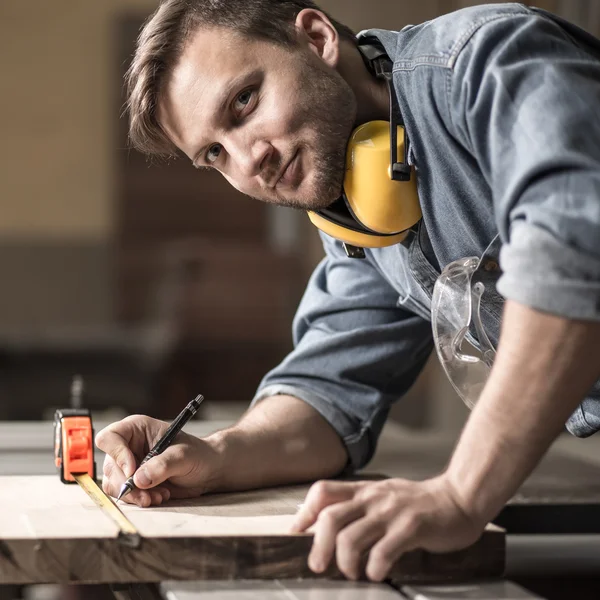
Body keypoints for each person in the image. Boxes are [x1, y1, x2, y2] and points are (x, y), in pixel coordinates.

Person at [96, 0, 600, 582]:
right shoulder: (361, 215)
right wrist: (214, 457)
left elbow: (572, 254)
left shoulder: (486, 60)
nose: (248, 162)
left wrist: (461, 495)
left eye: (244, 101)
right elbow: (327, 394)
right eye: (213, 153)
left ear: (315, 38)